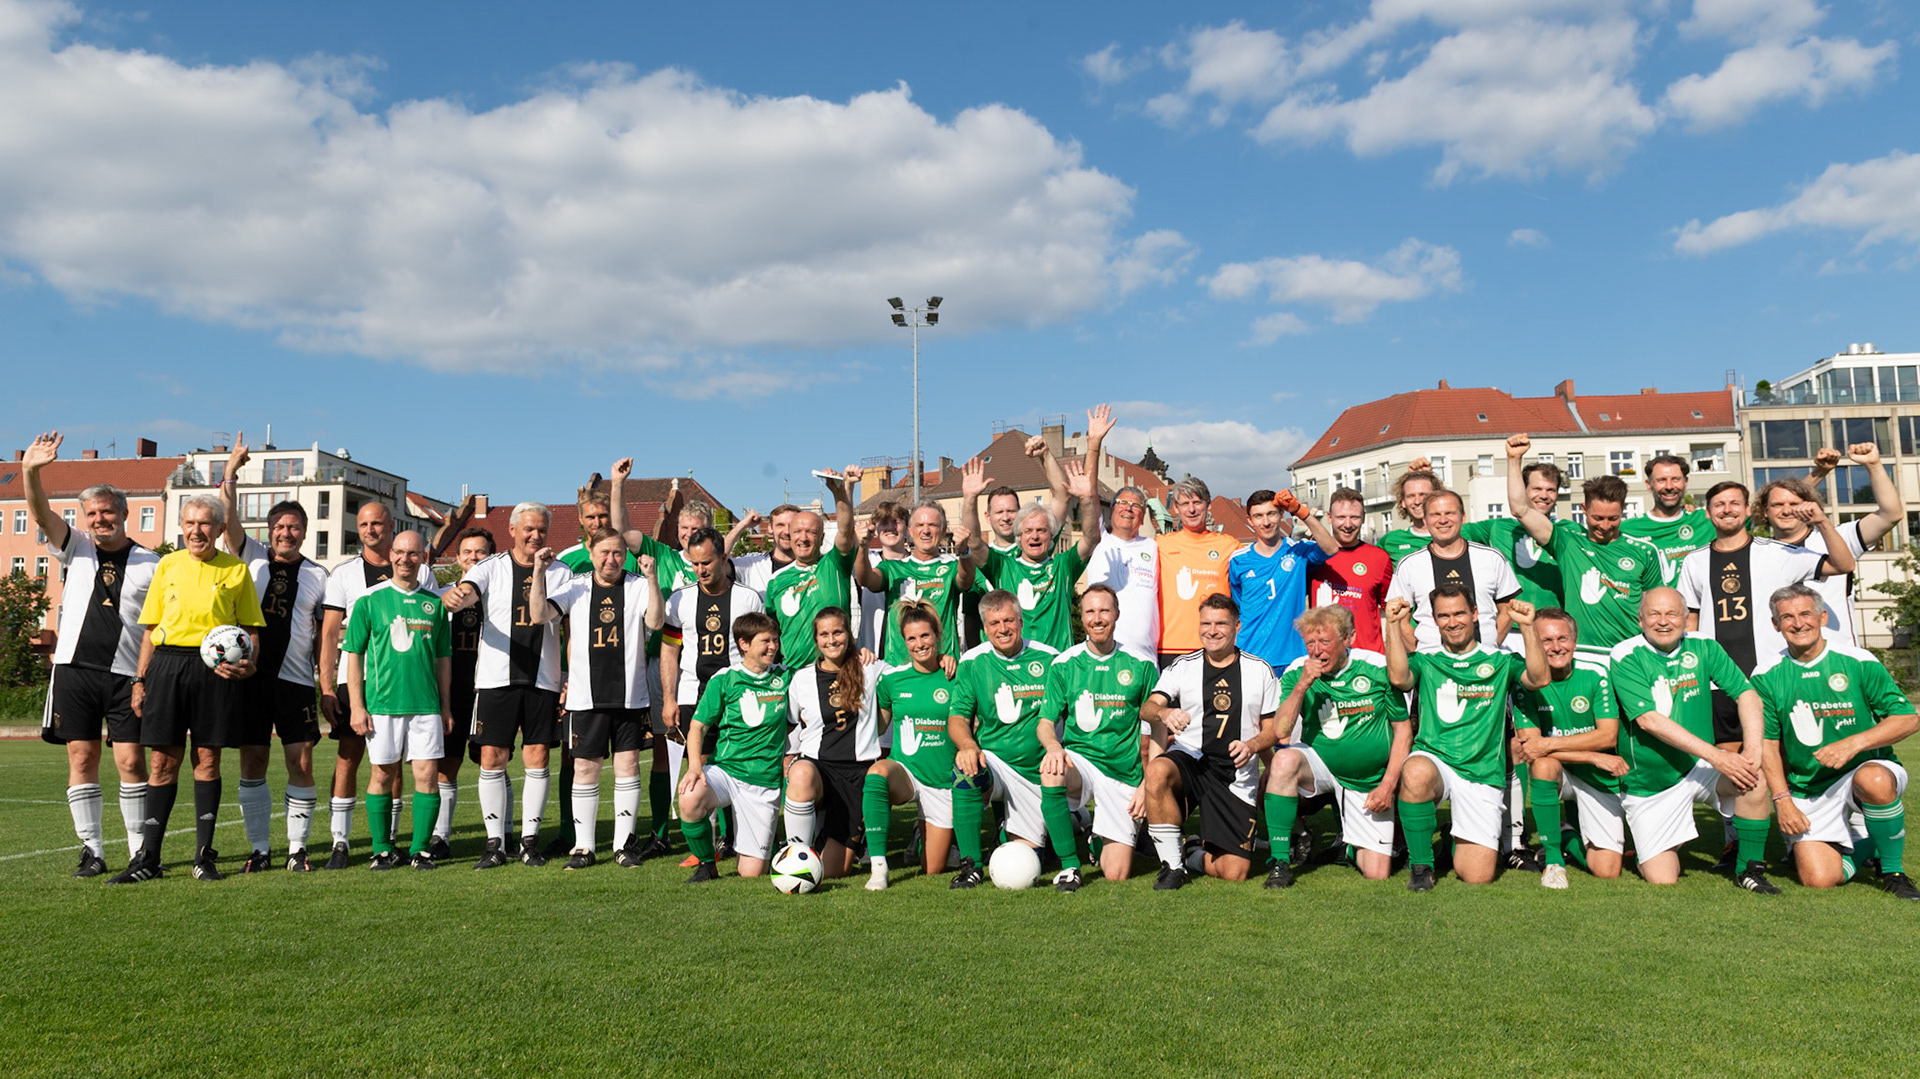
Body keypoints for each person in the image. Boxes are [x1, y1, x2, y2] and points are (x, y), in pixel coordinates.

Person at [1680, 480, 1854, 870]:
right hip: (1718, 680)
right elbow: (1690, 617)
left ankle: (1799, 842)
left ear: (1747, 511)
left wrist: (1824, 523)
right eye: (1719, 504)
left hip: (1770, 678)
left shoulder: (1779, 553)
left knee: (1782, 759)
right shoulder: (1693, 562)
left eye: (1734, 503)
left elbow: (1843, 564)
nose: (1727, 509)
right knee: (1728, 763)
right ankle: (1735, 844)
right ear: (1708, 513)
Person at [24, 431, 159, 878]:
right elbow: (41, 513)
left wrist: (145, 677)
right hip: (73, 672)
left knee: (130, 761)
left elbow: (156, 628)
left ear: (123, 514)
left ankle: (141, 852)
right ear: (85, 518)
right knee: (81, 758)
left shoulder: (152, 563)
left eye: (108, 511)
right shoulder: (74, 546)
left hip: (125, 676)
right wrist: (30, 470)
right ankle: (93, 851)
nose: (100, 519)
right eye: (92, 513)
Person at [112, 493, 264, 883]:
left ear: (217, 529)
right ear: (182, 527)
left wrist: (249, 665)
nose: (197, 531)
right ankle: (148, 859)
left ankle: (203, 856)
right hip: (166, 666)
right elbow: (149, 629)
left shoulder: (236, 570)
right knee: (162, 762)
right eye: (190, 523)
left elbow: (249, 627)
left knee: (207, 760)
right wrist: (140, 680)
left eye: (205, 524)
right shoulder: (168, 565)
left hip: (215, 671)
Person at [1754, 584, 1918, 900]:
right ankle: (1867, 842)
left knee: (1872, 778)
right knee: (1818, 878)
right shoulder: (1767, 675)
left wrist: (1853, 744)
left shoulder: (1857, 660)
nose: (1798, 623)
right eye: (1787, 617)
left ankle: (1892, 870)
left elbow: (1908, 718)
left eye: (1805, 614)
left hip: (1866, 771)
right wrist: (1783, 800)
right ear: (1776, 625)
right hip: (1809, 786)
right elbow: (1767, 744)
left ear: (1823, 617)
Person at [1610, 588, 1778, 892]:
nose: (1663, 621)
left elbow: (1747, 694)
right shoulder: (1625, 654)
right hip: (1651, 783)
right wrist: (1718, 756)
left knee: (1753, 779)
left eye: (1672, 614)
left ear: (1686, 619)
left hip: (1699, 767)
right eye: (1654, 614)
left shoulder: (1704, 646)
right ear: (1640, 620)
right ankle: (1652, 849)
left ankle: (1749, 870)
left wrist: (1752, 753)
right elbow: (1649, 721)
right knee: (1663, 878)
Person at [1385, 587, 1549, 890]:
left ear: (1474, 614)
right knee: (1416, 771)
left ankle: (1450, 838)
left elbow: (1539, 679)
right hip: (1436, 760)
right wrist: (1392, 625)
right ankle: (1421, 867)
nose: (1452, 622)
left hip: (1482, 771)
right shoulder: (1426, 659)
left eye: (1459, 613)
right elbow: (1399, 678)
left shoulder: (1499, 660)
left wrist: (1527, 626)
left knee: (1477, 875)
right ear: (1434, 620)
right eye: (1443, 616)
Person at [216, 437, 329, 872]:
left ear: (304, 531)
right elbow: (228, 519)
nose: (286, 533)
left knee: (300, 761)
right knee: (253, 760)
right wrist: (232, 471)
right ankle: (260, 849)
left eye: (294, 527)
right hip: (250, 678)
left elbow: (324, 636)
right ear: (269, 531)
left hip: (296, 680)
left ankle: (297, 850)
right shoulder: (251, 557)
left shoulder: (320, 576)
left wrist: (326, 685)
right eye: (279, 526)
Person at [442, 502, 574, 868]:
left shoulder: (560, 572)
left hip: (542, 679)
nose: (535, 536)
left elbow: (564, 626)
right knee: (491, 757)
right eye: (528, 529)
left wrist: (566, 678)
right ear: (513, 531)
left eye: (541, 530)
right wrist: (458, 596)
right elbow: (469, 589)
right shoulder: (491, 566)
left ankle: (530, 840)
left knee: (538, 757)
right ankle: (495, 843)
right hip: (496, 678)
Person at [528, 530, 665, 868]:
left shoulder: (636, 585)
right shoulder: (576, 586)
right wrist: (537, 573)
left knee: (628, 767)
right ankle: (584, 847)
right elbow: (538, 615)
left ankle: (623, 845)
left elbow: (656, 621)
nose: (611, 559)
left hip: (630, 697)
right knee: (586, 768)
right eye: (604, 552)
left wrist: (652, 579)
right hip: (584, 698)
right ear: (591, 553)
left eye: (618, 553)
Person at [1138, 594, 1282, 888]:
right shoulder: (1183, 666)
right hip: (1191, 759)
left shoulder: (1260, 670)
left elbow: (1272, 731)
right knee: (1157, 771)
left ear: (1237, 626)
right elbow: (1147, 708)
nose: (1212, 630)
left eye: (1221, 624)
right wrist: (1165, 712)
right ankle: (1172, 866)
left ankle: (1191, 855)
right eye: (1205, 623)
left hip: (1235, 774)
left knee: (1235, 872)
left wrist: (1252, 745)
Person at [1267, 605, 1411, 885]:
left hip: (1366, 777)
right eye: (1310, 642)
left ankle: (1348, 847)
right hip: (1318, 765)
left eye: (1325, 642)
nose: (1317, 650)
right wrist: (1302, 686)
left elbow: (1403, 731)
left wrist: (1387, 786)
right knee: (1283, 762)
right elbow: (1281, 731)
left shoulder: (1377, 668)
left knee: (1378, 872)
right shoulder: (1299, 671)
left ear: (1349, 639)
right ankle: (1279, 861)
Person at [341, 531, 451, 870]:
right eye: (400, 552)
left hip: (426, 706)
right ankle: (382, 849)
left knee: (427, 776)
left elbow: (443, 660)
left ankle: (420, 850)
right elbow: (353, 656)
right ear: (391, 555)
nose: (406, 558)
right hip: (383, 705)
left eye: (414, 553)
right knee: (382, 774)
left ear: (423, 557)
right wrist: (357, 706)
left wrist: (446, 706)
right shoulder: (369, 600)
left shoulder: (434, 604)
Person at [1506, 435, 1665, 665]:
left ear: (1623, 512)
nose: (1604, 526)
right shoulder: (1567, 541)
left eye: (1613, 518)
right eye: (1597, 518)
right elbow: (1520, 508)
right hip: (1580, 655)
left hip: (1630, 656)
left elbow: (1656, 609)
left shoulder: (1644, 552)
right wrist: (1513, 459)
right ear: (1584, 510)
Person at [1038, 585, 1158, 887]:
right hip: (1082, 763)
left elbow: (1158, 729)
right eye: (1090, 611)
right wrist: (1053, 747)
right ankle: (1069, 866)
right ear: (1082, 616)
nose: (1097, 618)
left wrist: (1147, 783)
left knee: (1116, 873)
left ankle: (1094, 836)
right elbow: (1044, 723)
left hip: (1124, 773)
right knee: (1052, 769)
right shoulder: (1065, 663)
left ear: (1117, 614)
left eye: (1104, 610)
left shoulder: (1142, 664)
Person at [659, 526, 766, 855]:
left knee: (736, 764)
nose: (701, 570)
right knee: (701, 767)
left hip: (736, 695)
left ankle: (739, 840)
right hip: (694, 693)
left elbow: (758, 649)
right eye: (694, 564)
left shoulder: (748, 598)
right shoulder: (680, 600)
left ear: (723, 557)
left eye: (706, 562)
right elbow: (669, 649)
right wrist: (669, 697)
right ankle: (707, 845)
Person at [946, 590, 1061, 889]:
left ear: (1021, 622)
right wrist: (968, 745)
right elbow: (958, 718)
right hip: (996, 764)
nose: (1003, 628)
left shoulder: (1051, 659)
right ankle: (970, 865)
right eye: (994, 623)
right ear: (985, 629)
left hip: (1040, 772)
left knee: (1030, 858)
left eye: (1009, 620)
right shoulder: (973, 661)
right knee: (965, 771)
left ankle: (1072, 824)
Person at [1510, 608, 1629, 887]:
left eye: (1562, 638)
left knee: (1608, 870)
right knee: (1542, 765)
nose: (1555, 647)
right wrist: (1590, 755)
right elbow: (1530, 748)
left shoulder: (1596, 673)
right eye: (1545, 641)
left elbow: (1607, 737)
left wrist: (1549, 745)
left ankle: (1566, 837)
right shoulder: (1525, 683)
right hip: (1564, 770)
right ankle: (1553, 861)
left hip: (1597, 777)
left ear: (1574, 642)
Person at [318, 500, 402, 869]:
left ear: (391, 525)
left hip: (399, 681)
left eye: (377, 523)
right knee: (348, 757)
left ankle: (389, 839)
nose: (370, 529)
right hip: (355, 680)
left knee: (392, 762)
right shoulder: (344, 574)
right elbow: (330, 633)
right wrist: (325, 686)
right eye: (364, 524)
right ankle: (340, 842)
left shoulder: (417, 569)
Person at [678, 612, 790, 882]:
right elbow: (698, 727)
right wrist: (695, 767)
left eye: (775, 640)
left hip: (764, 782)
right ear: (744, 644)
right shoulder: (724, 679)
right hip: (727, 772)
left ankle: (770, 842)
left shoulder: (787, 677)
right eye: (765, 641)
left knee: (750, 873)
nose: (773, 646)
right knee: (690, 794)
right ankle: (707, 864)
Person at [863, 602, 960, 890]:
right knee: (878, 773)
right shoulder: (892, 679)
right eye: (912, 638)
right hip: (906, 770)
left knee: (932, 868)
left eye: (925, 636)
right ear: (904, 641)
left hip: (942, 780)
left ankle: (921, 837)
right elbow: (877, 727)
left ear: (937, 635)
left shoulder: (956, 673)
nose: (919, 644)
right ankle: (879, 866)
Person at [1771, 441, 1903, 644]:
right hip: (1783, 663)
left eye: (1794, 504)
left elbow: (1891, 514)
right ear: (1765, 511)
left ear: (1808, 504)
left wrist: (1873, 464)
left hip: (1839, 660)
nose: (1786, 510)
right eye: (1778, 505)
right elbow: (1782, 497)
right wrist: (1821, 471)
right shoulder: (1759, 550)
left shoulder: (1837, 538)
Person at [784, 607, 883, 878]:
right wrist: (787, 762)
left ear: (849, 634)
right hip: (818, 769)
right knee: (801, 772)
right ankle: (796, 855)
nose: (831, 640)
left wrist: (943, 659)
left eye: (837, 632)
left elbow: (912, 671)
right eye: (824, 634)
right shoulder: (802, 678)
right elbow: (791, 724)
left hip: (857, 773)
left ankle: (838, 841)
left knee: (831, 871)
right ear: (816, 640)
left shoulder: (871, 669)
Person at [965, 456, 1101, 652]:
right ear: (1018, 537)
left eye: (1041, 530)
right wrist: (969, 498)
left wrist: (1086, 499)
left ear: (1052, 536)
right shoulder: (1003, 566)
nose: (1034, 536)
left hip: (1058, 666)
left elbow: (1091, 538)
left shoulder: (1063, 566)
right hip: (1019, 669)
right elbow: (974, 543)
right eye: (1028, 531)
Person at [425, 525, 493, 859]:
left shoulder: (499, 595)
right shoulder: (439, 597)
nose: (473, 558)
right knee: (446, 765)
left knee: (494, 761)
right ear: (457, 557)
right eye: (467, 552)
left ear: (491, 557)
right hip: (450, 692)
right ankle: (441, 838)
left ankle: (502, 835)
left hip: (489, 689)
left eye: (480, 552)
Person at [1386, 490, 1519, 653]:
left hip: (1484, 663)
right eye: (1435, 515)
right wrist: (1421, 656)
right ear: (1425, 521)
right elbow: (1400, 620)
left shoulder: (1492, 558)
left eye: (1450, 513)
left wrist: (1489, 648)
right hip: (1433, 664)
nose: (1443, 520)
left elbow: (1508, 610)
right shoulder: (1409, 564)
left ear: (1463, 517)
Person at [854, 499, 976, 666]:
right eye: (919, 525)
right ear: (910, 531)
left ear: (943, 530)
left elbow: (966, 580)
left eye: (932, 525)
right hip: (899, 669)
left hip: (944, 668)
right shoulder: (893, 568)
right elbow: (865, 579)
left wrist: (963, 551)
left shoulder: (952, 566)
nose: (925, 531)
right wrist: (862, 547)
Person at [1230, 488, 1338, 671]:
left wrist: (1299, 510)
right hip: (1250, 656)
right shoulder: (1238, 560)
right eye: (1258, 516)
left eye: (1271, 514)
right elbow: (1238, 605)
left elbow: (1331, 548)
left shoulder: (1298, 551)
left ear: (1281, 514)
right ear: (1249, 520)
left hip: (1292, 658)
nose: (1265, 522)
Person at [765, 467, 858, 667]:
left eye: (811, 532)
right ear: (790, 535)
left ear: (822, 537)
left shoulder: (835, 564)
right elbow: (771, 631)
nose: (803, 538)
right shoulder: (776, 580)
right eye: (798, 531)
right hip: (794, 676)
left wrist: (838, 491)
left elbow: (846, 530)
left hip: (838, 670)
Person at [1153, 478, 1242, 669]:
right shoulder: (1160, 545)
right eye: (1185, 504)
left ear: (1208, 505)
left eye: (1197, 502)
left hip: (1217, 645)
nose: (1191, 510)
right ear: (1176, 508)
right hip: (1170, 648)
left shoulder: (1230, 546)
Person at [1461, 459, 1564, 617]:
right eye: (1537, 489)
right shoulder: (1499, 528)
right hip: (1512, 626)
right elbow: (1445, 528)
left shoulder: (1568, 531)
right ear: (1523, 490)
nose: (1544, 495)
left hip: (1555, 624)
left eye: (1551, 490)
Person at [1308, 488, 1392, 654]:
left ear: (1363, 519)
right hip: (1325, 657)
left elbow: (1393, 611)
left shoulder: (1379, 558)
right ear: (1329, 518)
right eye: (1341, 517)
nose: (1347, 525)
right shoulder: (1311, 558)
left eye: (1354, 517)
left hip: (1368, 659)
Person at [1086, 482, 1159, 661]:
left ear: (1143, 518)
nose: (1129, 508)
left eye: (1136, 506)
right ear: (1111, 512)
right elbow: (1089, 500)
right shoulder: (1098, 540)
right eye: (1122, 502)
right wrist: (1093, 452)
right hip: (1106, 652)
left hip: (1146, 655)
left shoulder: (1153, 547)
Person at [1621, 454, 1711, 585]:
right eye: (1661, 480)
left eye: (1675, 479)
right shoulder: (1627, 529)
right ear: (1648, 484)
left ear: (1686, 482)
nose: (1669, 486)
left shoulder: (1706, 520)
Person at [856, 499, 910, 657]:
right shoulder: (866, 558)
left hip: (906, 653)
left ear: (906, 527)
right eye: (884, 522)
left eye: (896, 522)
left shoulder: (916, 564)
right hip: (870, 652)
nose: (890, 528)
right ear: (876, 528)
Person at [1379, 464, 1439, 565]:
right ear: (1403, 502)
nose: (1417, 501)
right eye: (1411, 496)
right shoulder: (1391, 540)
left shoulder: (1461, 533)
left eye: (1423, 495)